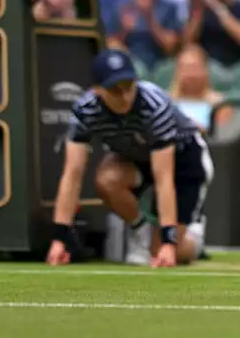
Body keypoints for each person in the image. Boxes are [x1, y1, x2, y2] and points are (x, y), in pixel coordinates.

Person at [47, 50, 213, 268]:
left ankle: (194, 239)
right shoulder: (85, 111)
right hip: (139, 157)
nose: (125, 96)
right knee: (108, 179)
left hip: (185, 162)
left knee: (163, 249)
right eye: (115, 90)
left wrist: (168, 243)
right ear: (98, 90)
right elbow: (72, 174)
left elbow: (164, 179)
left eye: (129, 86)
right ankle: (141, 232)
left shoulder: (154, 105)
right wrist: (59, 239)